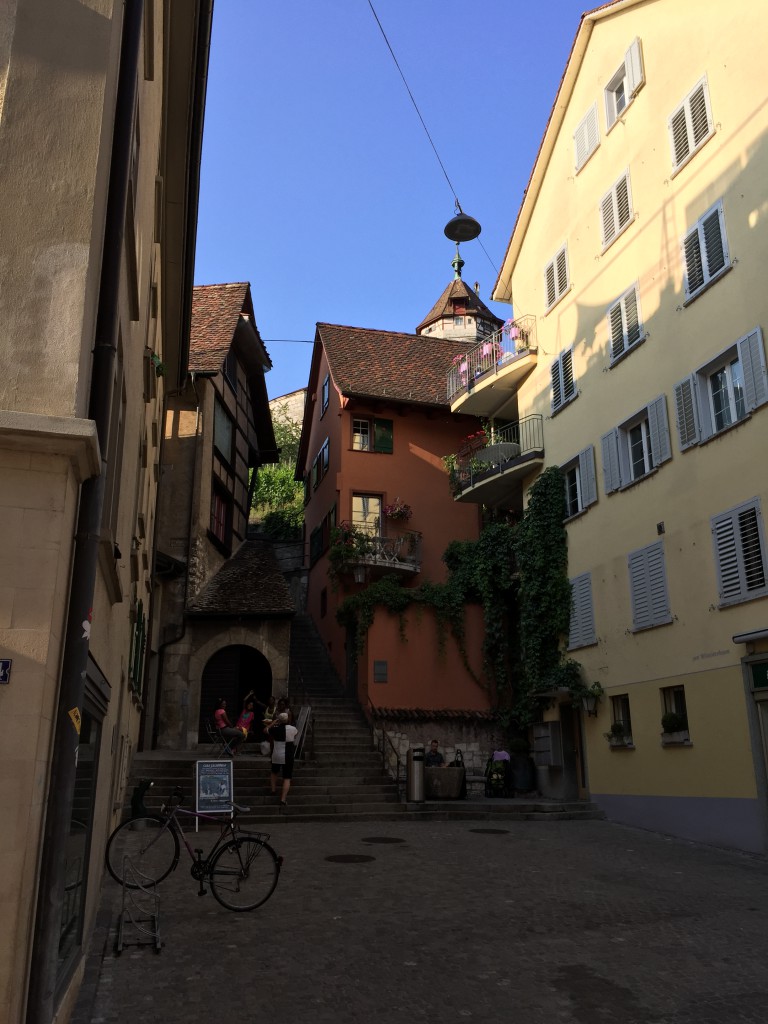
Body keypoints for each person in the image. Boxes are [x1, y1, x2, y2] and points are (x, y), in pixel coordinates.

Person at [266, 712, 298, 806]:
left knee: (274, 771)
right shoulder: (293, 729)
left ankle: (273, 789)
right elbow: (296, 734)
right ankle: (283, 799)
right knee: (287, 777)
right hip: (288, 755)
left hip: (277, 754)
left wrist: (273, 722)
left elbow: (265, 730)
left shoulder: (274, 729)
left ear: (279, 720)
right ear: (288, 719)